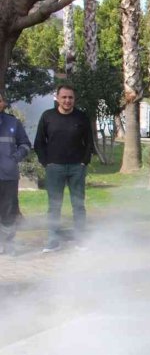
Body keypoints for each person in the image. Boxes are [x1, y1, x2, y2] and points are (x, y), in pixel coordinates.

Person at [33, 85, 94, 252]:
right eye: (64, 97)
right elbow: (39, 142)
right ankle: (53, 240)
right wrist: (46, 162)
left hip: (77, 168)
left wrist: (84, 161)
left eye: (70, 97)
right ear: (57, 98)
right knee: (54, 205)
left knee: (78, 205)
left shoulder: (81, 117)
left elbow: (89, 141)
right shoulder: (48, 116)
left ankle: (80, 239)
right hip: (54, 168)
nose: (67, 100)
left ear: (74, 99)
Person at [0, 93, 32, 256]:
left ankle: (8, 243)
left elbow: (25, 144)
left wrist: (15, 158)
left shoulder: (13, 122)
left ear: (3, 103)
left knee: (8, 211)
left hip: (8, 175)